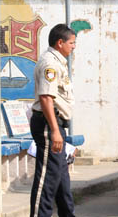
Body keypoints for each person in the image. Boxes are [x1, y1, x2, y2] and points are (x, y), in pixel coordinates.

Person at [30, 24, 77, 217]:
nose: (74, 47)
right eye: (72, 43)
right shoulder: (50, 63)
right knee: (47, 179)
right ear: (60, 43)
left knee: (61, 177)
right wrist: (55, 130)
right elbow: (46, 98)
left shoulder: (59, 61)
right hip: (49, 125)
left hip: (55, 125)